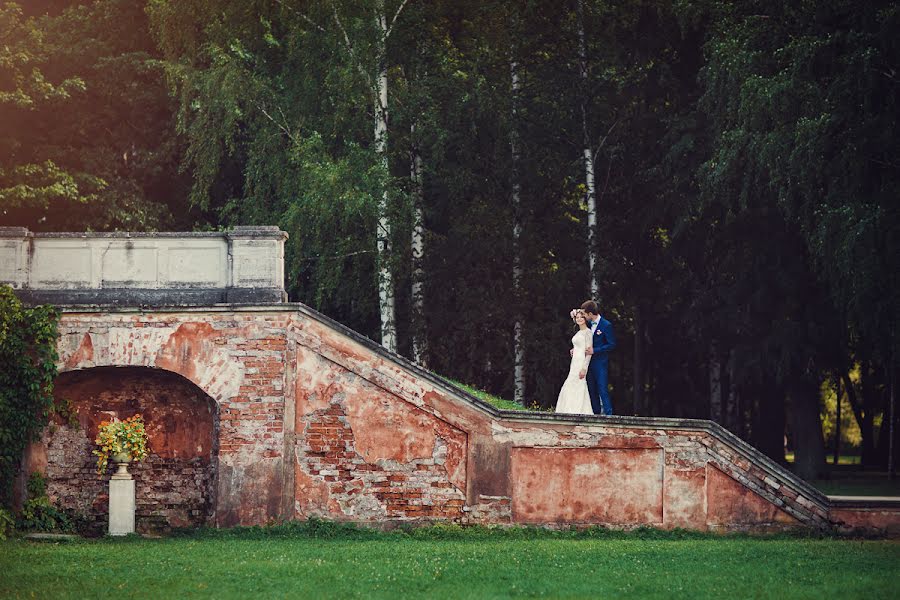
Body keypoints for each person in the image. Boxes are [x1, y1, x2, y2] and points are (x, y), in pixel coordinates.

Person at [555, 309, 594, 415]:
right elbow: (578, 345)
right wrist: (573, 349)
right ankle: (567, 409)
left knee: (578, 383)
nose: (579, 319)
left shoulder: (588, 332)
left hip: (581, 362)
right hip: (574, 361)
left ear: (585, 318)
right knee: (571, 383)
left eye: (581, 317)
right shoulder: (578, 332)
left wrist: (584, 368)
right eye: (577, 317)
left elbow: (589, 352)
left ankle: (578, 410)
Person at [581, 300, 616, 415]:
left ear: (590, 314)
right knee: (591, 389)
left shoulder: (606, 325)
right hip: (588, 362)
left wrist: (595, 350)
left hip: (601, 363)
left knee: (602, 388)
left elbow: (611, 344)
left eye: (585, 314)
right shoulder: (588, 324)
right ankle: (595, 414)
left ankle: (609, 415)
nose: (584, 317)